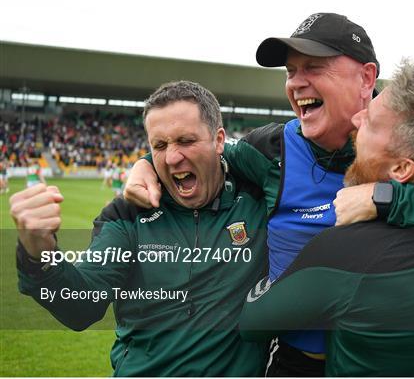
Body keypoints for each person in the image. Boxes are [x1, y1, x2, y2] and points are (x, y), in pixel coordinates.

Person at [124, 13, 414, 376]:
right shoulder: (271, 149)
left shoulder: (412, 141)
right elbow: (197, 153)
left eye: (314, 67)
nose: (297, 81)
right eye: (290, 70)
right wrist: (145, 162)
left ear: (367, 78)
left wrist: (382, 197)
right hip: (293, 359)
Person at [239, 60, 414, 376]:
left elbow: (254, 321)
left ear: (401, 169)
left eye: (369, 122)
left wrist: (284, 265)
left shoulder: (346, 251)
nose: (356, 120)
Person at [10, 81, 269, 376]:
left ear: (219, 140)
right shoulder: (127, 215)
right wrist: (39, 253)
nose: (172, 157)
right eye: (159, 146)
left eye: (186, 141)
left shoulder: (257, 198)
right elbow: (81, 306)